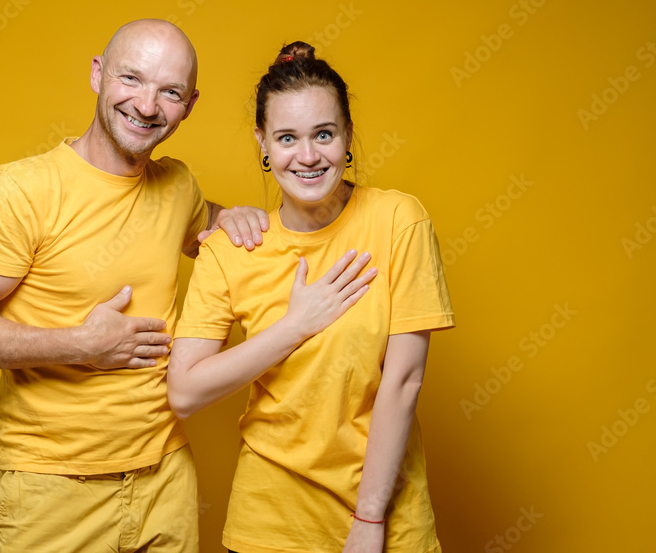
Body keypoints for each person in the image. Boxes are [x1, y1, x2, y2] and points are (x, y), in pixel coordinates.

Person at [0, 19, 269, 553]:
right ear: (97, 74)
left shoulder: (177, 185)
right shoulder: (20, 191)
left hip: (166, 481)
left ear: (190, 105)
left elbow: (210, 227)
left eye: (170, 92)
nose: (147, 105)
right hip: (50, 490)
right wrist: (82, 345)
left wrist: (237, 218)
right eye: (131, 79)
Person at [167, 41, 455, 553]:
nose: (307, 156)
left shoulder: (397, 221)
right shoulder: (231, 251)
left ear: (346, 134)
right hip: (269, 524)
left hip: (386, 517)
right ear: (263, 142)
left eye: (323, 134)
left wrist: (369, 521)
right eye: (286, 138)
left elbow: (404, 380)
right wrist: (295, 326)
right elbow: (185, 391)